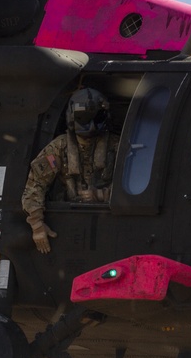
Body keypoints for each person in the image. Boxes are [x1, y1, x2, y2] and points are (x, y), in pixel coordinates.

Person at [21, 88, 119, 254]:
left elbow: (136, 189)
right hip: (67, 224)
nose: (91, 125)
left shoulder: (116, 146)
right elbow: (35, 185)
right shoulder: (60, 147)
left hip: (107, 224)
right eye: (84, 118)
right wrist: (37, 225)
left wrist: (102, 195)